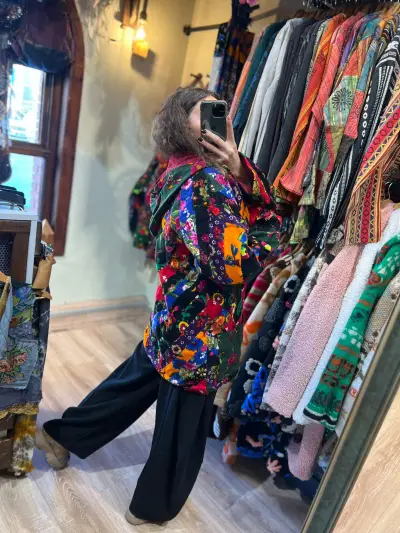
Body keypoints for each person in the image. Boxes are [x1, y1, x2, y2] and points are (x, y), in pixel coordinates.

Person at [36, 87, 280, 526]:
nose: (219, 118)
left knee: (131, 384)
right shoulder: (206, 184)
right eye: (204, 111)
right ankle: (150, 510)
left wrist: (238, 167)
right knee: (182, 429)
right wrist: (270, 227)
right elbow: (233, 266)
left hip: (174, 313)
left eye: (220, 110)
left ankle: (61, 436)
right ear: (181, 124)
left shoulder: (176, 170)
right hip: (201, 328)